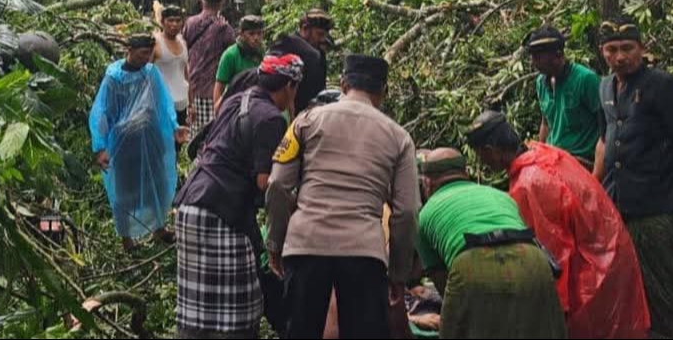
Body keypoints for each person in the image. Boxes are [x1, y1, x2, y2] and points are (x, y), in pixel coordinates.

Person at [266, 55, 420, 339]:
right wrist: (398, 273)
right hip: (364, 252)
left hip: (306, 246)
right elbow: (407, 212)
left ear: (343, 83)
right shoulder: (399, 137)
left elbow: (277, 185)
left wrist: (275, 241)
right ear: (383, 91)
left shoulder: (306, 120)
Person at [466, 111, 650, 339]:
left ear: (490, 151)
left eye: (480, 156)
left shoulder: (529, 184)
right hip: (611, 257)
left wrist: (553, 315)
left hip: (594, 275)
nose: (482, 163)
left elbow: (553, 257)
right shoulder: (545, 152)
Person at [594, 20, 673, 339]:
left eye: (627, 49)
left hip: (657, 207)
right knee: (628, 290)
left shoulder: (662, 85)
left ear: (642, 49)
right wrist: (594, 188)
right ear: (602, 52)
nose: (620, 57)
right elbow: (605, 138)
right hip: (619, 205)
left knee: (664, 291)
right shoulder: (604, 86)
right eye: (612, 50)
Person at [173, 54, 303, 340]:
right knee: (237, 316)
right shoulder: (270, 117)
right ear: (289, 87)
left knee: (197, 313)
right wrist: (301, 204)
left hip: (190, 208)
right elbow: (267, 182)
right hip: (221, 214)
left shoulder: (236, 101)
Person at [416, 148, 566, 339]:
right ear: (466, 173)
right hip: (533, 258)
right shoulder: (501, 196)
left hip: (472, 261)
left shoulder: (424, 216)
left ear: (427, 183)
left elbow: (444, 284)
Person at [89, 35, 188, 252]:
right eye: (143, 53)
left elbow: (163, 102)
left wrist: (173, 127)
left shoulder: (151, 73)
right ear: (130, 50)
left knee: (157, 182)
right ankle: (127, 239)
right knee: (125, 189)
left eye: (150, 54)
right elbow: (101, 113)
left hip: (151, 139)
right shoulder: (114, 78)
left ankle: (159, 229)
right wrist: (100, 147)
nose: (147, 58)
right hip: (125, 144)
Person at [525, 26, 603, 166]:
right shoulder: (541, 82)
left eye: (538, 57)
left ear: (558, 54)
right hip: (553, 160)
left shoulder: (585, 79)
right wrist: (539, 153)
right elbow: (546, 122)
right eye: (532, 57)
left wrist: (597, 173)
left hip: (581, 161)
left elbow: (606, 127)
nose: (533, 62)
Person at [183, 0, 236, 137]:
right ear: (220, 4)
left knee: (195, 140)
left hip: (192, 91)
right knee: (213, 137)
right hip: (214, 93)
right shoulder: (224, 28)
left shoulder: (190, 23)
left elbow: (183, 51)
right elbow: (233, 53)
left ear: (202, 0)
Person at [271, 9, 333, 114]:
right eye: (319, 34)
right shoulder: (286, 46)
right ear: (305, 29)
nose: (323, 39)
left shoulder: (318, 52)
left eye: (324, 35)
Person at [214, 15, 266, 112]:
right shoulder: (230, 55)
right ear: (241, 34)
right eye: (251, 34)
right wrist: (218, 111)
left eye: (259, 34)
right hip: (235, 107)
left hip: (256, 105)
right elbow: (219, 87)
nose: (256, 38)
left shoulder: (262, 52)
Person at [154, 5, 190, 127]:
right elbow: (146, 74)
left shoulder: (183, 42)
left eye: (178, 20)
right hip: (162, 105)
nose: (174, 24)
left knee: (178, 143)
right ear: (162, 22)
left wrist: (191, 103)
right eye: (170, 20)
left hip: (182, 104)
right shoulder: (156, 43)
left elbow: (186, 73)